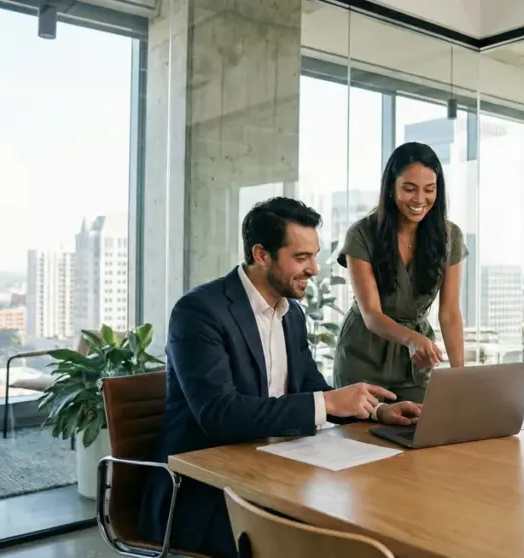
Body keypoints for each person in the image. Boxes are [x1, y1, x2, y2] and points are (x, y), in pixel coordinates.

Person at [138, 197, 422, 558]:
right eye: (301, 258)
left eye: (314, 255)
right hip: (205, 495)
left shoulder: (292, 315)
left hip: (275, 474)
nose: (315, 269)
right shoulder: (199, 312)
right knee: (326, 544)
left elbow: (310, 390)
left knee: (375, 517)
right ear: (261, 254)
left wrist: (375, 410)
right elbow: (219, 415)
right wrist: (326, 402)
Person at [333, 142, 468, 403]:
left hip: (414, 363)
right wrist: (412, 340)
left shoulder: (450, 236)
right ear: (391, 189)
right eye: (409, 189)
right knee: (363, 438)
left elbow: (450, 313)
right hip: (363, 356)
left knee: (422, 433)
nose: (420, 200)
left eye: (429, 190)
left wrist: (460, 376)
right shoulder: (361, 234)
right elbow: (371, 315)